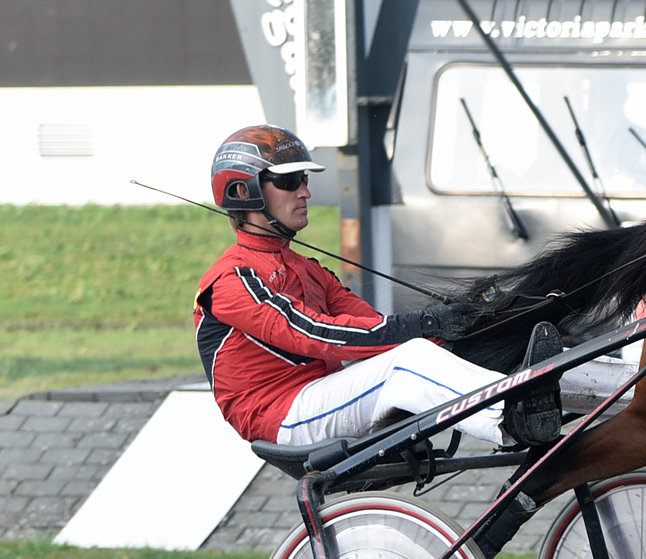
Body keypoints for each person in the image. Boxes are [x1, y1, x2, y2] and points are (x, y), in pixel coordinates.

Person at [193, 125, 560, 455]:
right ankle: (512, 415)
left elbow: (372, 325)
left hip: (326, 395)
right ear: (244, 192)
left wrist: (466, 326)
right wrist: (426, 323)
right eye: (290, 182)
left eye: (304, 178)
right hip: (282, 414)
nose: (305, 191)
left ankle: (596, 392)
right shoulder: (230, 280)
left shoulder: (306, 269)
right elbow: (317, 335)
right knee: (409, 360)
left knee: (443, 350)